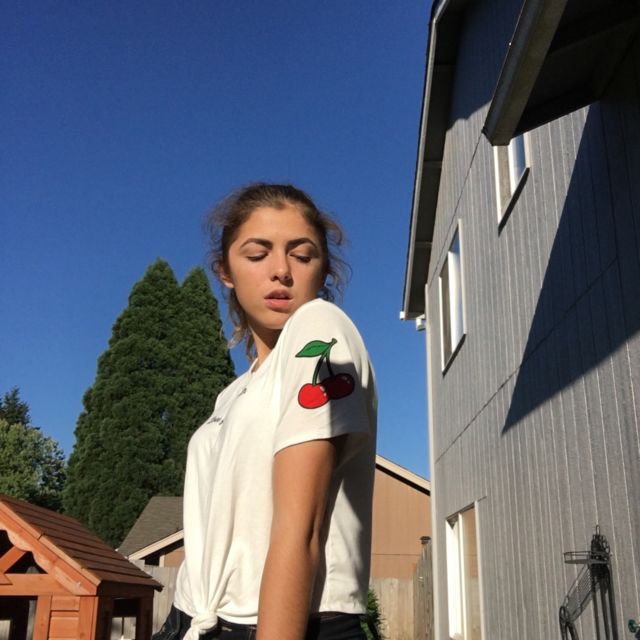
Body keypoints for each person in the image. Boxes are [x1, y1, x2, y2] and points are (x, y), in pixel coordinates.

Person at [153, 183, 377, 640]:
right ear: (225, 271)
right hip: (196, 619)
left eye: (303, 255)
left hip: (280, 624)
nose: (281, 271)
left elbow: (302, 529)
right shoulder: (236, 392)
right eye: (257, 254)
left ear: (324, 270)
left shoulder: (319, 329)